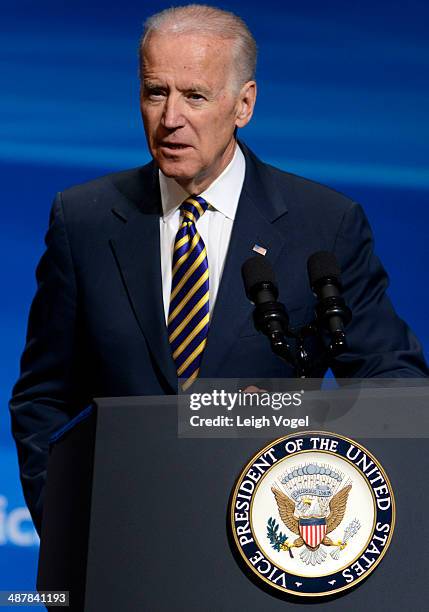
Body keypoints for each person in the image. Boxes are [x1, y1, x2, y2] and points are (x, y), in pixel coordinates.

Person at [9, 5, 428, 535]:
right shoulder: (84, 219)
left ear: (244, 104)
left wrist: (303, 438)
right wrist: (70, 529)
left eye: (195, 96)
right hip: (119, 547)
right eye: (155, 92)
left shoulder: (323, 225)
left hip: (269, 547)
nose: (170, 119)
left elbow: (393, 383)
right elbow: (43, 397)